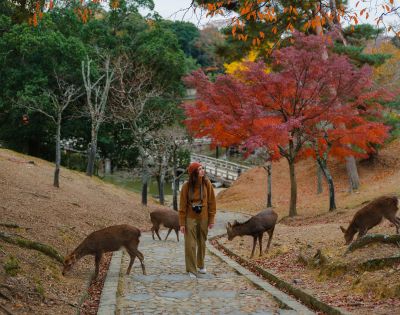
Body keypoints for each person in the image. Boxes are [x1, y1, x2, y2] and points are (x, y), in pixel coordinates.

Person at [179, 162, 216, 278]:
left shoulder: (206, 183)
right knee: (190, 244)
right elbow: (182, 206)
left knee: (202, 242)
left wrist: (211, 219)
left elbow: (212, 202)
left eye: (202, 168)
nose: (202, 170)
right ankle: (191, 269)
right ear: (194, 172)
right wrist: (182, 223)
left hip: (204, 217)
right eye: (199, 169)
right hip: (190, 218)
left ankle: (200, 265)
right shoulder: (186, 186)